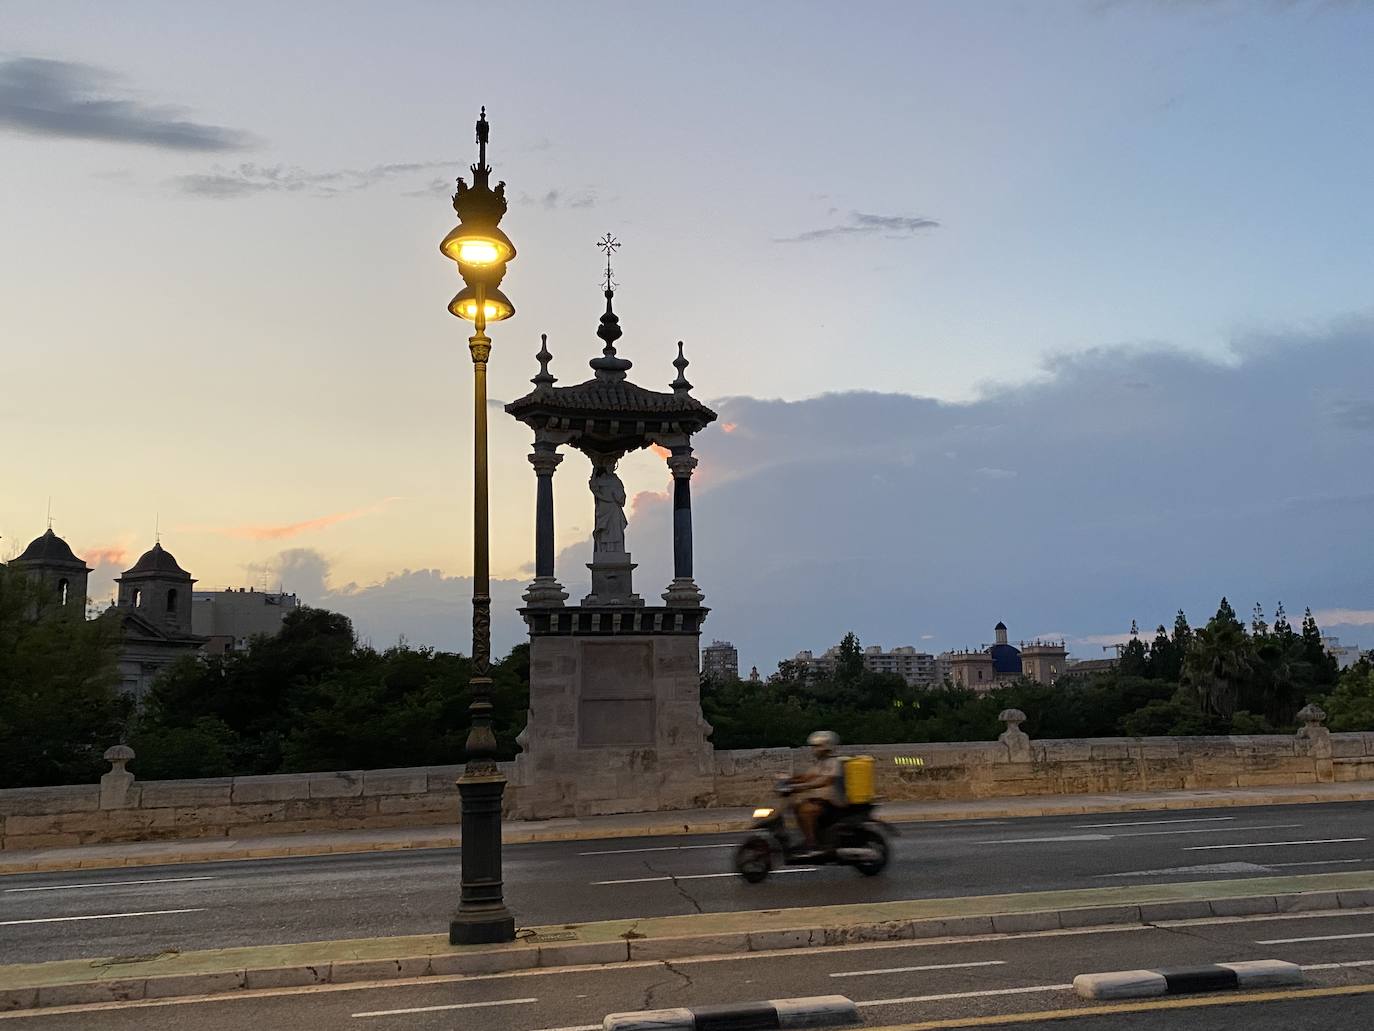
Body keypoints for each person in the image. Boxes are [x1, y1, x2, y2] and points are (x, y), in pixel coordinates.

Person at [789, 730, 845, 855]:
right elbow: (808, 776)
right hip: (823, 801)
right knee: (796, 806)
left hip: (833, 803)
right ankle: (812, 837)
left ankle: (811, 843)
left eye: (817, 746)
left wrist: (804, 786)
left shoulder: (835, 762)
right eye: (814, 746)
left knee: (805, 810)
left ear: (827, 746)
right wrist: (788, 780)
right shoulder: (821, 762)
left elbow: (826, 780)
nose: (814, 749)